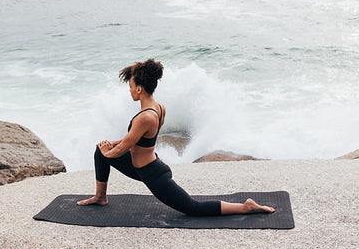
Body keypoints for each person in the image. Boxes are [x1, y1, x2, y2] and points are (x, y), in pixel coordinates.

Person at [77, 59, 275, 216]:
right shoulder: (159, 107)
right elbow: (135, 139)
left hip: (152, 174)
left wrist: (110, 149)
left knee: (193, 208)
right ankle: (100, 197)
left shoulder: (145, 117)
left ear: (139, 89)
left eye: (130, 86)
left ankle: (245, 207)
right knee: (100, 152)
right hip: (145, 167)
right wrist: (112, 143)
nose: (129, 90)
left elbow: (122, 150)